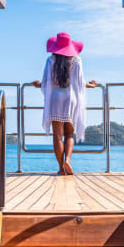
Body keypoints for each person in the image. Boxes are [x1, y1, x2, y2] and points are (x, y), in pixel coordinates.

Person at [32, 32, 97, 175]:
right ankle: (67, 160)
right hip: (71, 99)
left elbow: (46, 82)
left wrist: (38, 84)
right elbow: (79, 83)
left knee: (57, 136)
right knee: (69, 134)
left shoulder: (51, 60)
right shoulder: (77, 61)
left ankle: (61, 168)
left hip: (56, 99)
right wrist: (91, 85)